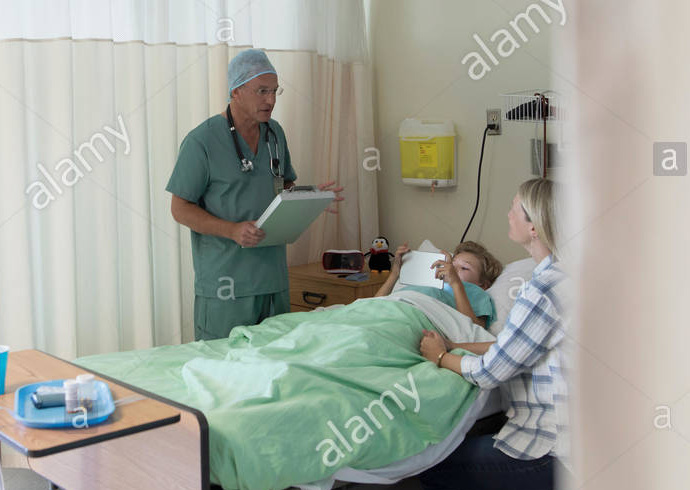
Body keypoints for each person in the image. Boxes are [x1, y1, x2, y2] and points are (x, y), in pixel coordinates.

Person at [415, 178, 567, 490]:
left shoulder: (543, 289)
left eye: (515, 207)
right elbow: (512, 344)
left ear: (534, 226)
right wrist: (454, 343)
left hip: (549, 452)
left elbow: (491, 370)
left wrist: (442, 359)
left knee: (434, 466)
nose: (507, 214)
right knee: (474, 470)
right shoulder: (563, 275)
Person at [167, 49, 343, 341]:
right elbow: (180, 208)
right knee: (224, 372)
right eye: (262, 91)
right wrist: (232, 229)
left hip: (272, 279)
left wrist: (310, 198)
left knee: (273, 368)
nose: (271, 100)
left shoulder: (274, 134)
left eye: (275, 91)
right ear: (236, 91)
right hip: (226, 285)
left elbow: (279, 188)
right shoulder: (202, 141)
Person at [374, 240, 503, 328]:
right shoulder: (427, 283)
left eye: (464, 268)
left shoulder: (477, 292)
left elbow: (474, 329)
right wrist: (395, 274)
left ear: (483, 284)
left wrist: (456, 284)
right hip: (386, 310)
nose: (452, 270)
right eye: (452, 265)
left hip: (409, 319)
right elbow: (374, 303)